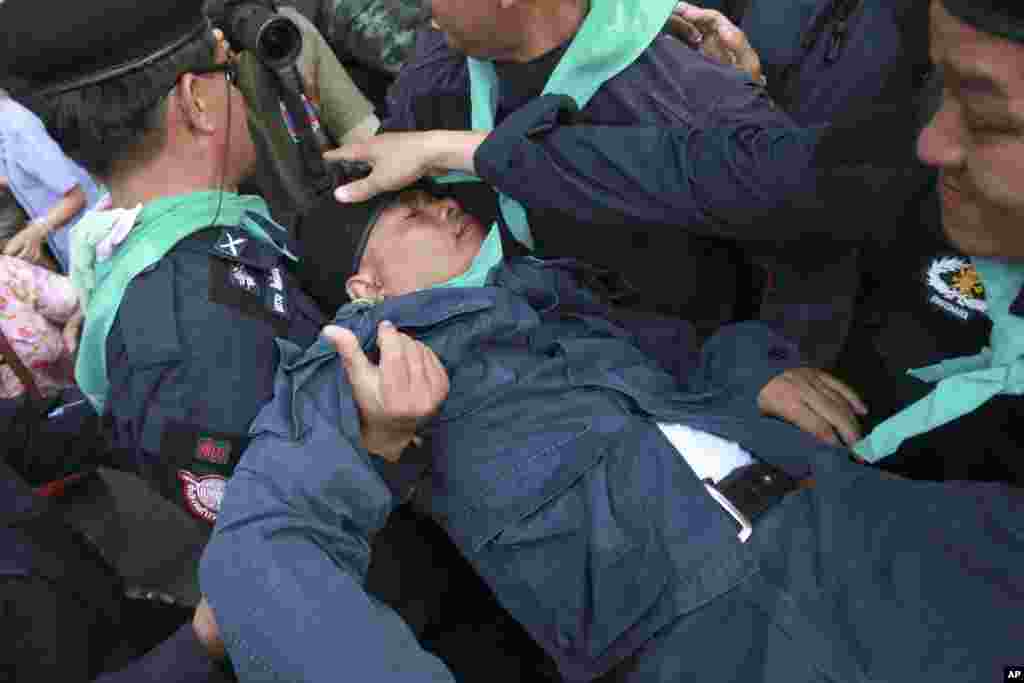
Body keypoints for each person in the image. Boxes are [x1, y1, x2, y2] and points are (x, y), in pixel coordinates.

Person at [201, 178, 1020, 683]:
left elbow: (687, 347)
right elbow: (257, 550)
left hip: (843, 521)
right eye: (411, 211)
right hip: (733, 639)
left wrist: (748, 369)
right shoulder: (365, 358)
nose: (445, 204)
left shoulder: (546, 289)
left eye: (438, 193)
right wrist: (371, 457)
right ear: (365, 282)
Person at [341, 0, 854, 344]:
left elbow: (807, 253)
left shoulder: (689, 98)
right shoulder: (445, 62)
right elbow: (386, 180)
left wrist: (756, 367)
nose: (427, 10)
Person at [0, 90, 103, 272]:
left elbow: (76, 196)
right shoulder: (5, 129)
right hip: (75, 247)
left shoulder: (18, 128)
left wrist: (36, 231)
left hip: (97, 242)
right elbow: (22, 179)